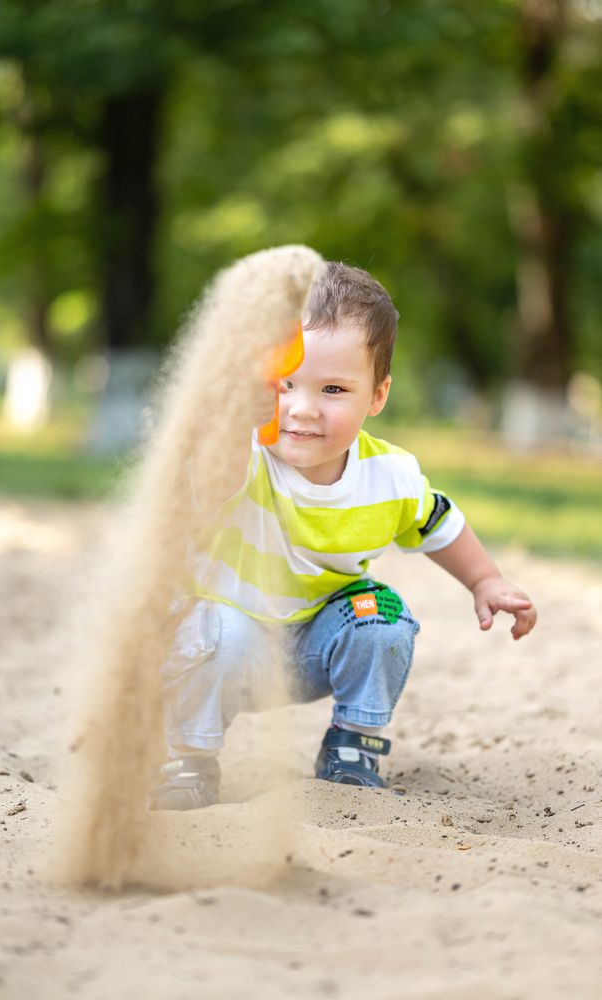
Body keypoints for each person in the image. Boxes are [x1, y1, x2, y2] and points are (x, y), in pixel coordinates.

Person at [149, 262, 537, 811]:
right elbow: (210, 488)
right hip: (230, 641)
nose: (303, 409)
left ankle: (352, 750)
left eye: (333, 388)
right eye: (285, 385)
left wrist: (485, 579)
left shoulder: (390, 475)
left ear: (377, 396)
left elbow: (437, 523)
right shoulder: (245, 456)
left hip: (316, 644)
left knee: (383, 617)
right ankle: (189, 760)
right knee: (218, 629)